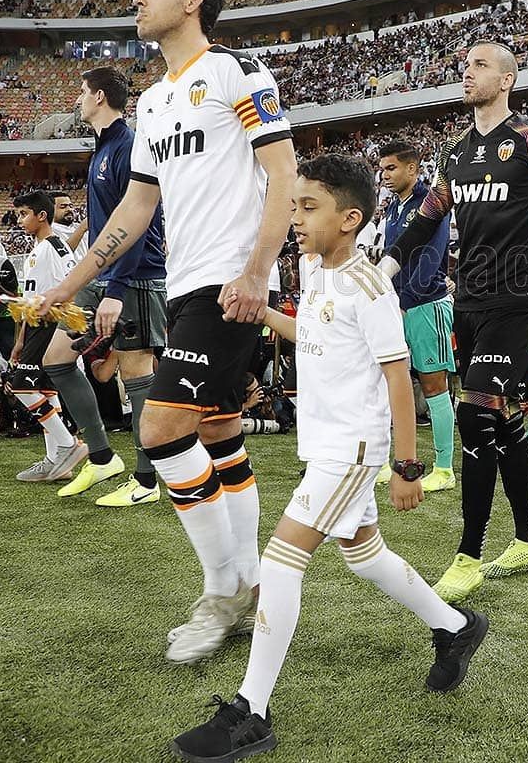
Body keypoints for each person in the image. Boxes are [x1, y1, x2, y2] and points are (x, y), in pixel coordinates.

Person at [171, 155, 487, 763]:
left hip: (351, 451)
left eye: (307, 207)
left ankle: (251, 711)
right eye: (293, 206)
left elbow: (401, 379)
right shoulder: (317, 273)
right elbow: (312, 337)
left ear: (351, 219)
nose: (295, 219)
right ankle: (455, 627)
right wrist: (260, 311)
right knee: (366, 557)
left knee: (282, 560)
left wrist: (407, 465)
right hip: (326, 446)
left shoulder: (370, 288)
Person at [40, 0, 297, 664]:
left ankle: (222, 592)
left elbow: (283, 174)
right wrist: (72, 280)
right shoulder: (152, 102)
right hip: (186, 282)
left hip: (231, 286)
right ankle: (246, 587)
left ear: (192, 1)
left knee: (158, 430)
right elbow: (137, 204)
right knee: (217, 433)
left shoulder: (237, 72)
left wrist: (255, 271)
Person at [379, 40, 528, 603]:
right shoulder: (454, 153)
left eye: (478, 66)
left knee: (475, 417)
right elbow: (427, 222)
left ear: (506, 79)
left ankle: (468, 554)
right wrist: (386, 265)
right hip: (468, 302)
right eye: (464, 65)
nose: (465, 73)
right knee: (509, 423)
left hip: (517, 301)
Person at [69, 64, 171, 507]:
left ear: (99, 97)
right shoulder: (102, 148)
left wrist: (114, 289)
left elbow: (139, 221)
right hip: (104, 274)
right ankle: (101, 456)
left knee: (136, 373)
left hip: (134, 277)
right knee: (54, 359)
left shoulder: (129, 145)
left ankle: (147, 481)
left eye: (82, 91)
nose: (76, 98)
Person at [376, 139, 456, 492]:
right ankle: (387, 460)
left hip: (425, 304)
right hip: (397, 305)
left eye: (391, 168)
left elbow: (431, 255)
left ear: (412, 168)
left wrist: (407, 300)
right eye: (382, 170)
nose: (385, 176)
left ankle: (444, 467)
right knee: (390, 382)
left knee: (434, 384)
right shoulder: (394, 207)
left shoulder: (431, 201)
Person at [8, 190, 102, 485]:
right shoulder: (42, 248)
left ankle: (67, 445)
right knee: (46, 392)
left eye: (24, 214)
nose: (20, 220)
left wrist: (58, 319)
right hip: (37, 323)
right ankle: (55, 461)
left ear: (41, 215)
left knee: (21, 387)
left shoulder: (54, 247)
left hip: (49, 323)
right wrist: (21, 338)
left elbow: (71, 286)